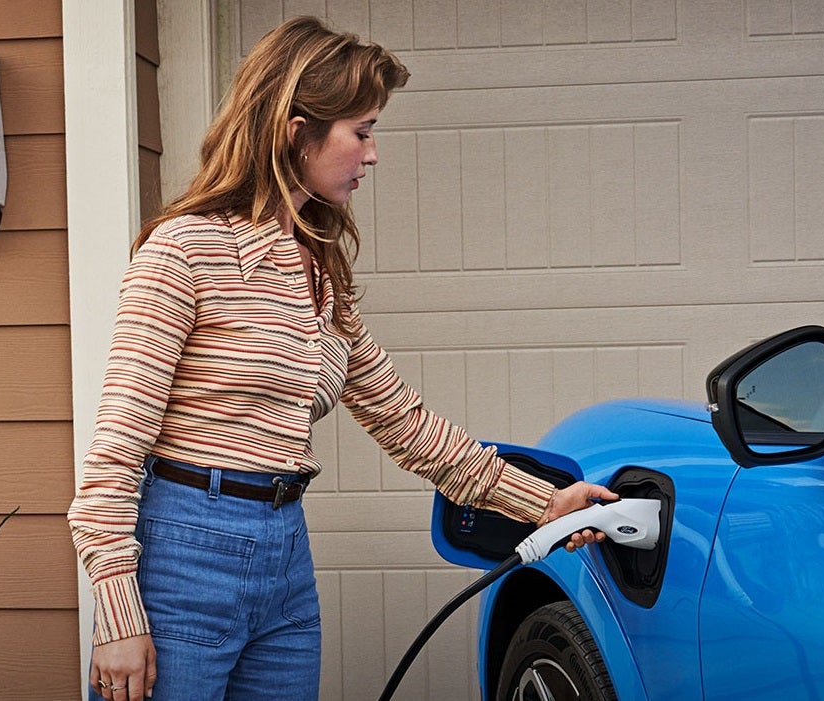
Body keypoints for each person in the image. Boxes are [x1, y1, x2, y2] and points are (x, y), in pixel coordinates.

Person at [68, 15, 617, 701]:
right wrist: (119, 612)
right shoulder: (183, 253)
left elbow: (407, 424)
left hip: (285, 557)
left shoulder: (318, 272)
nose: (373, 152)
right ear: (296, 131)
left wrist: (544, 503)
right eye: (361, 130)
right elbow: (114, 453)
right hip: (183, 555)